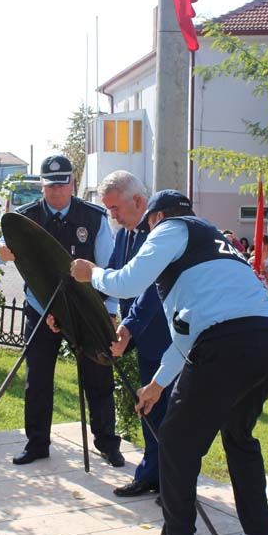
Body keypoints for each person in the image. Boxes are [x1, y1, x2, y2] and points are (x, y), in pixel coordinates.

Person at [70, 190, 268, 535]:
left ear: (156, 216)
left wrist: (93, 274)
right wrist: (157, 385)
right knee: (239, 436)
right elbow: (190, 334)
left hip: (226, 347)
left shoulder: (170, 228)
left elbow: (126, 283)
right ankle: (259, 534)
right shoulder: (217, 245)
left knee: (174, 440)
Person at [0, 156, 123, 468]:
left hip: (85, 310)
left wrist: (110, 311)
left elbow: (108, 268)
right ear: (42, 185)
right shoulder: (26, 216)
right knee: (37, 378)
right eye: (50, 184)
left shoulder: (93, 217)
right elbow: (2, 245)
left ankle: (107, 442)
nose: (56, 190)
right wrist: (0, 251)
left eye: (62, 183)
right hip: (40, 308)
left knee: (99, 375)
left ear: (72, 183)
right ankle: (37, 443)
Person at [99, 171, 172, 498]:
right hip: (143, 338)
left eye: (115, 208)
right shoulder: (124, 235)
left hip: (170, 341)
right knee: (149, 408)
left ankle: (174, 485)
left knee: (171, 416)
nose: (112, 216)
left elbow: (152, 290)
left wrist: (128, 328)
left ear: (138, 201)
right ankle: (150, 474)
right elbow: (112, 277)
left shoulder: (160, 233)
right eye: (109, 209)